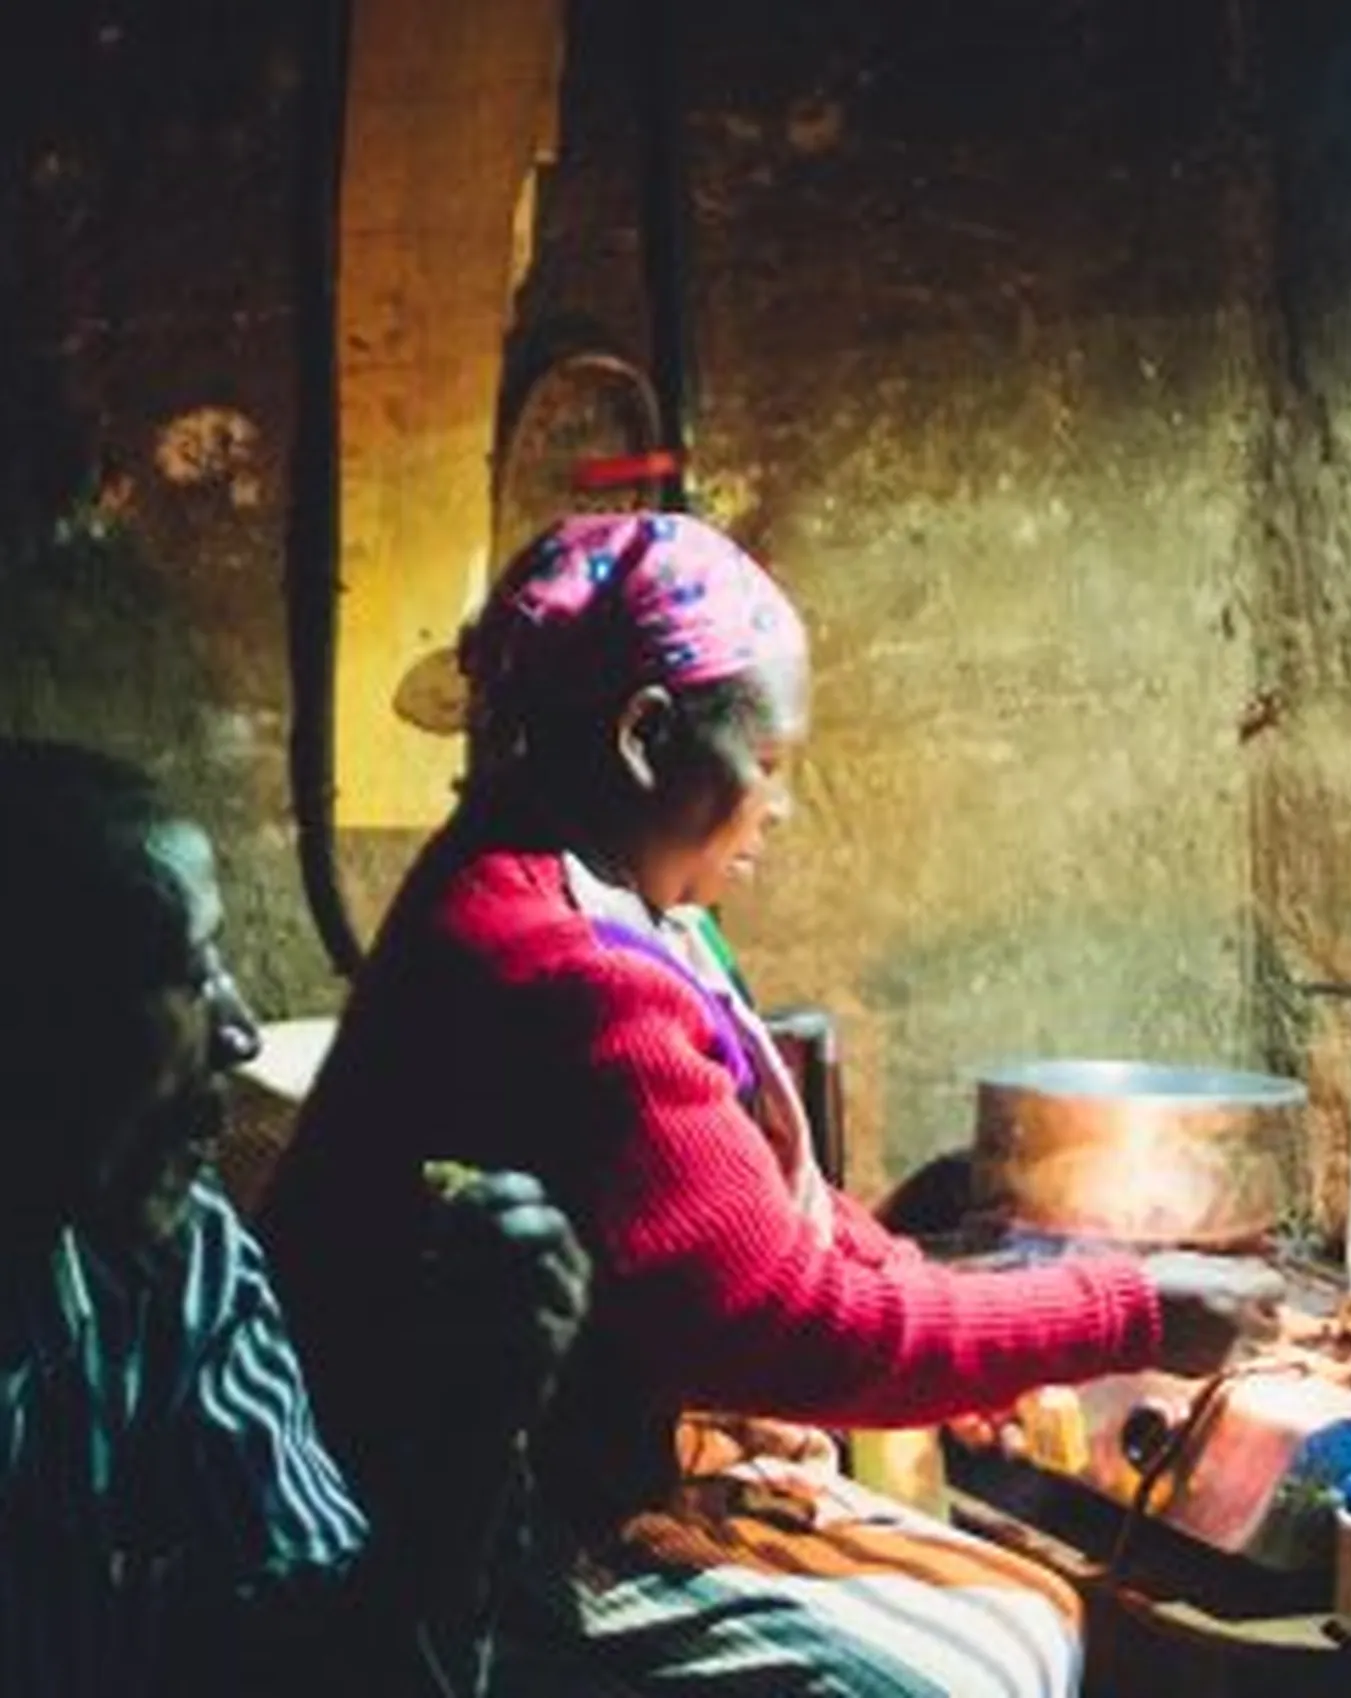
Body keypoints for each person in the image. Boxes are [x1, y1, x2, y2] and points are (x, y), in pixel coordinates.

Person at [260, 512, 1283, 1698]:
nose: (781, 808)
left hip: (537, 1459)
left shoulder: (570, 885)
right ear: (644, 735)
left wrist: (943, 1288)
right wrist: (1124, 1309)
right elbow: (784, 1317)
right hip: (458, 1529)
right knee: (957, 1667)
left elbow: (755, 1210)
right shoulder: (561, 969)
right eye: (772, 763)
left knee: (1027, 1612)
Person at [0, 738, 589, 1698]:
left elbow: (341, 1665)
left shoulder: (185, 1266)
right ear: (34, 1023)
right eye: (188, 972)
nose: (238, 1032)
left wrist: (472, 1438)